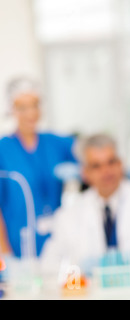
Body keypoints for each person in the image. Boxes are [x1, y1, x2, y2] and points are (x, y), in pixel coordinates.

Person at [40, 134, 130, 275]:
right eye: (96, 166)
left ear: (121, 164)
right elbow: (48, 267)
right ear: (85, 173)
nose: (106, 171)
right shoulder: (68, 216)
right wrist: (78, 271)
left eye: (111, 162)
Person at [0, 77, 77, 258]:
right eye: (22, 107)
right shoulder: (3, 149)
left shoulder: (56, 143)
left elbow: (90, 155)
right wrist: (4, 253)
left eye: (35, 105)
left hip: (57, 240)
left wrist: (79, 171)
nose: (31, 113)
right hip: (18, 244)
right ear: (11, 109)